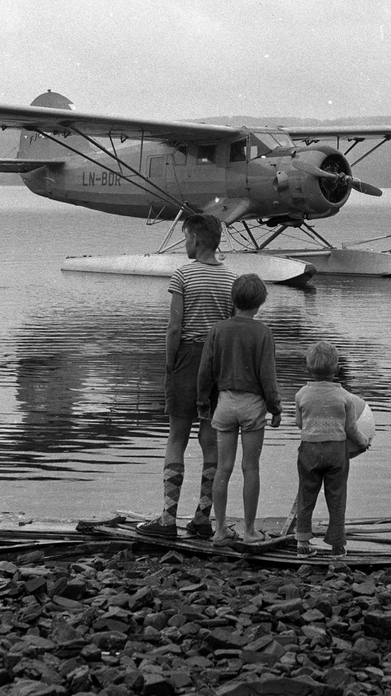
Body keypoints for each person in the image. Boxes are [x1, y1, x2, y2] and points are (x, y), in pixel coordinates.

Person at [140, 213, 236, 539]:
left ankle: (167, 519)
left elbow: (174, 327)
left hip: (190, 357)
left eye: (185, 238)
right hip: (220, 362)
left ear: (195, 239)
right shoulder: (232, 279)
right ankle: (202, 518)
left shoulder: (183, 275)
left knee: (176, 437)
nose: (184, 243)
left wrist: (170, 364)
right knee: (210, 440)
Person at [196, 273, 282, 546]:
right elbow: (268, 376)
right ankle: (249, 531)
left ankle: (220, 530)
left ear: (233, 300)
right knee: (251, 467)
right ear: (259, 304)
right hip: (252, 404)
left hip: (225, 403)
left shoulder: (217, 330)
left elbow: (205, 371)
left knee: (224, 467)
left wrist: (202, 401)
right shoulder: (263, 332)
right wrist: (275, 407)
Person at [293, 341, 372, 556]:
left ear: (308, 368)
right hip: (336, 452)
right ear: (337, 370)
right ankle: (338, 546)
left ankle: (302, 542)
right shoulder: (345, 397)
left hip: (309, 450)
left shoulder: (301, 395)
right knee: (337, 497)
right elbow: (351, 429)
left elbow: (299, 424)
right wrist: (364, 442)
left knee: (306, 494)